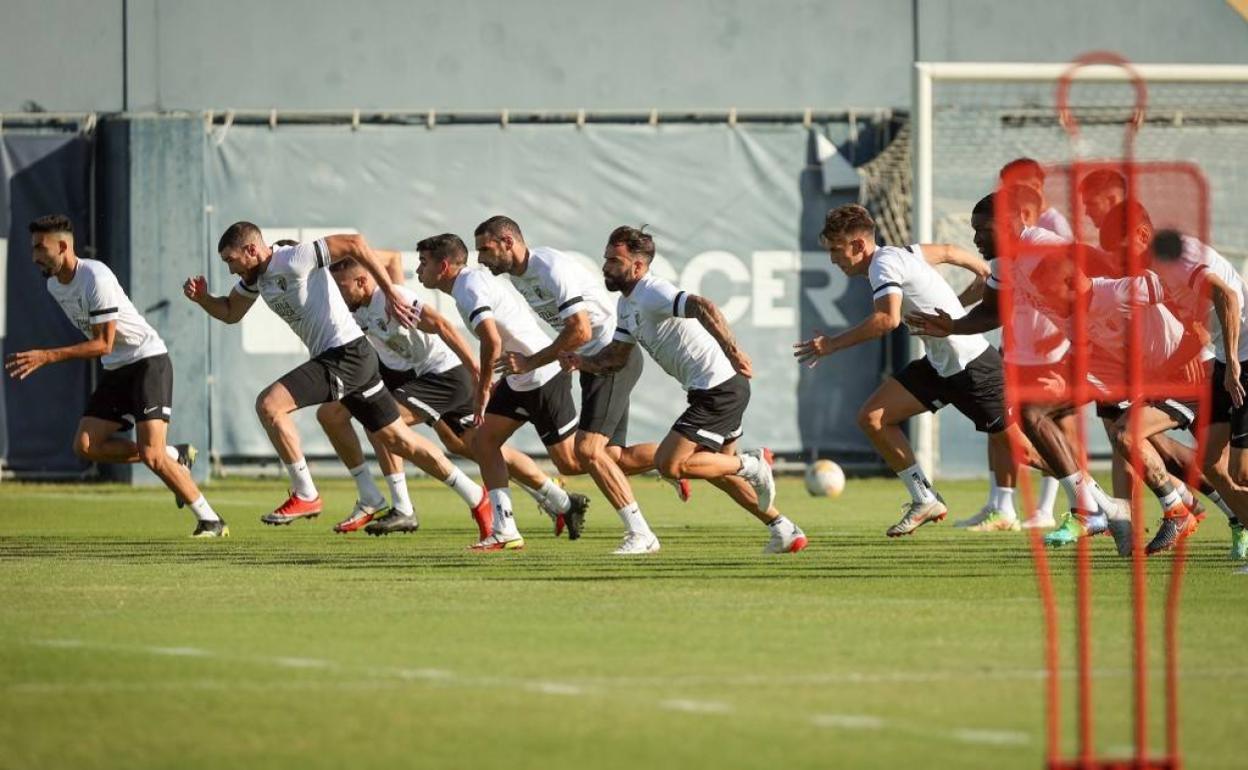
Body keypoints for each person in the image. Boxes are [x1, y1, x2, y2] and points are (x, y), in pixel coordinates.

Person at [184, 222, 488, 534]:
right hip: (354, 359)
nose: (231, 270)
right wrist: (204, 299)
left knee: (269, 405)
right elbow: (231, 312)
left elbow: (356, 242)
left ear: (251, 250)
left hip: (345, 355)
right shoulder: (255, 280)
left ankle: (306, 493)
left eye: (231, 261)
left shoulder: (293, 258)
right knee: (396, 439)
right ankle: (475, 496)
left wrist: (389, 292)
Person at [561, 225, 805, 554]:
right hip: (714, 390)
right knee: (717, 472)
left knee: (670, 465)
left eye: (614, 260)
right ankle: (783, 528)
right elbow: (616, 358)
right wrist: (581, 361)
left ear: (637, 266)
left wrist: (734, 352)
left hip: (719, 389)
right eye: (606, 259)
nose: (606, 266)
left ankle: (752, 464)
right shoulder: (626, 305)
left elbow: (704, 306)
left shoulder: (651, 291)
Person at [796, 204, 1027, 537]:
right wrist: (985, 275)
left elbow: (886, 320)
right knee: (873, 417)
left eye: (836, 250)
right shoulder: (902, 253)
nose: (833, 258)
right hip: (939, 365)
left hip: (972, 365)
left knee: (1027, 450)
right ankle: (925, 498)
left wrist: (831, 345)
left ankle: (1091, 503)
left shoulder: (883, 266)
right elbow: (948, 252)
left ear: (859, 245)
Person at [7, 214, 225, 537]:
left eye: (41, 247)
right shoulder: (54, 284)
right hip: (116, 369)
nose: (35, 256)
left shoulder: (96, 277)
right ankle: (173, 453)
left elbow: (103, 343)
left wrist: (47, 355)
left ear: (63, 246)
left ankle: (211, 520)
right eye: (33, 248)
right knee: (86, 445)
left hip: (147, 361)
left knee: (151, 456)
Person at [474, 215, 675, 554]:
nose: (480, 258)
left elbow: (581, 330)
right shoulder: (519, 276)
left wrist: (532, 361)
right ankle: (697, 459)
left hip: (612, 357)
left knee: (587, 451)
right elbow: (574, 334)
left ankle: (641, 533)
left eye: (486, 249)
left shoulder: (550, 268)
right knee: (605, 458)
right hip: (589, 361)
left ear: (508, 242)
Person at [414, 233, 589, 551]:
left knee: (575, 462)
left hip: (541, 378)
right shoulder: (468, 284)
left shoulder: (468, 288)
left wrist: (480, 388)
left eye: (423, 263)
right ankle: (506, 529)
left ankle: (663, 462)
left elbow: (492, 341)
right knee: (483, 442)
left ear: (443, 266)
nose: (417, 270)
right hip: (518, 377)